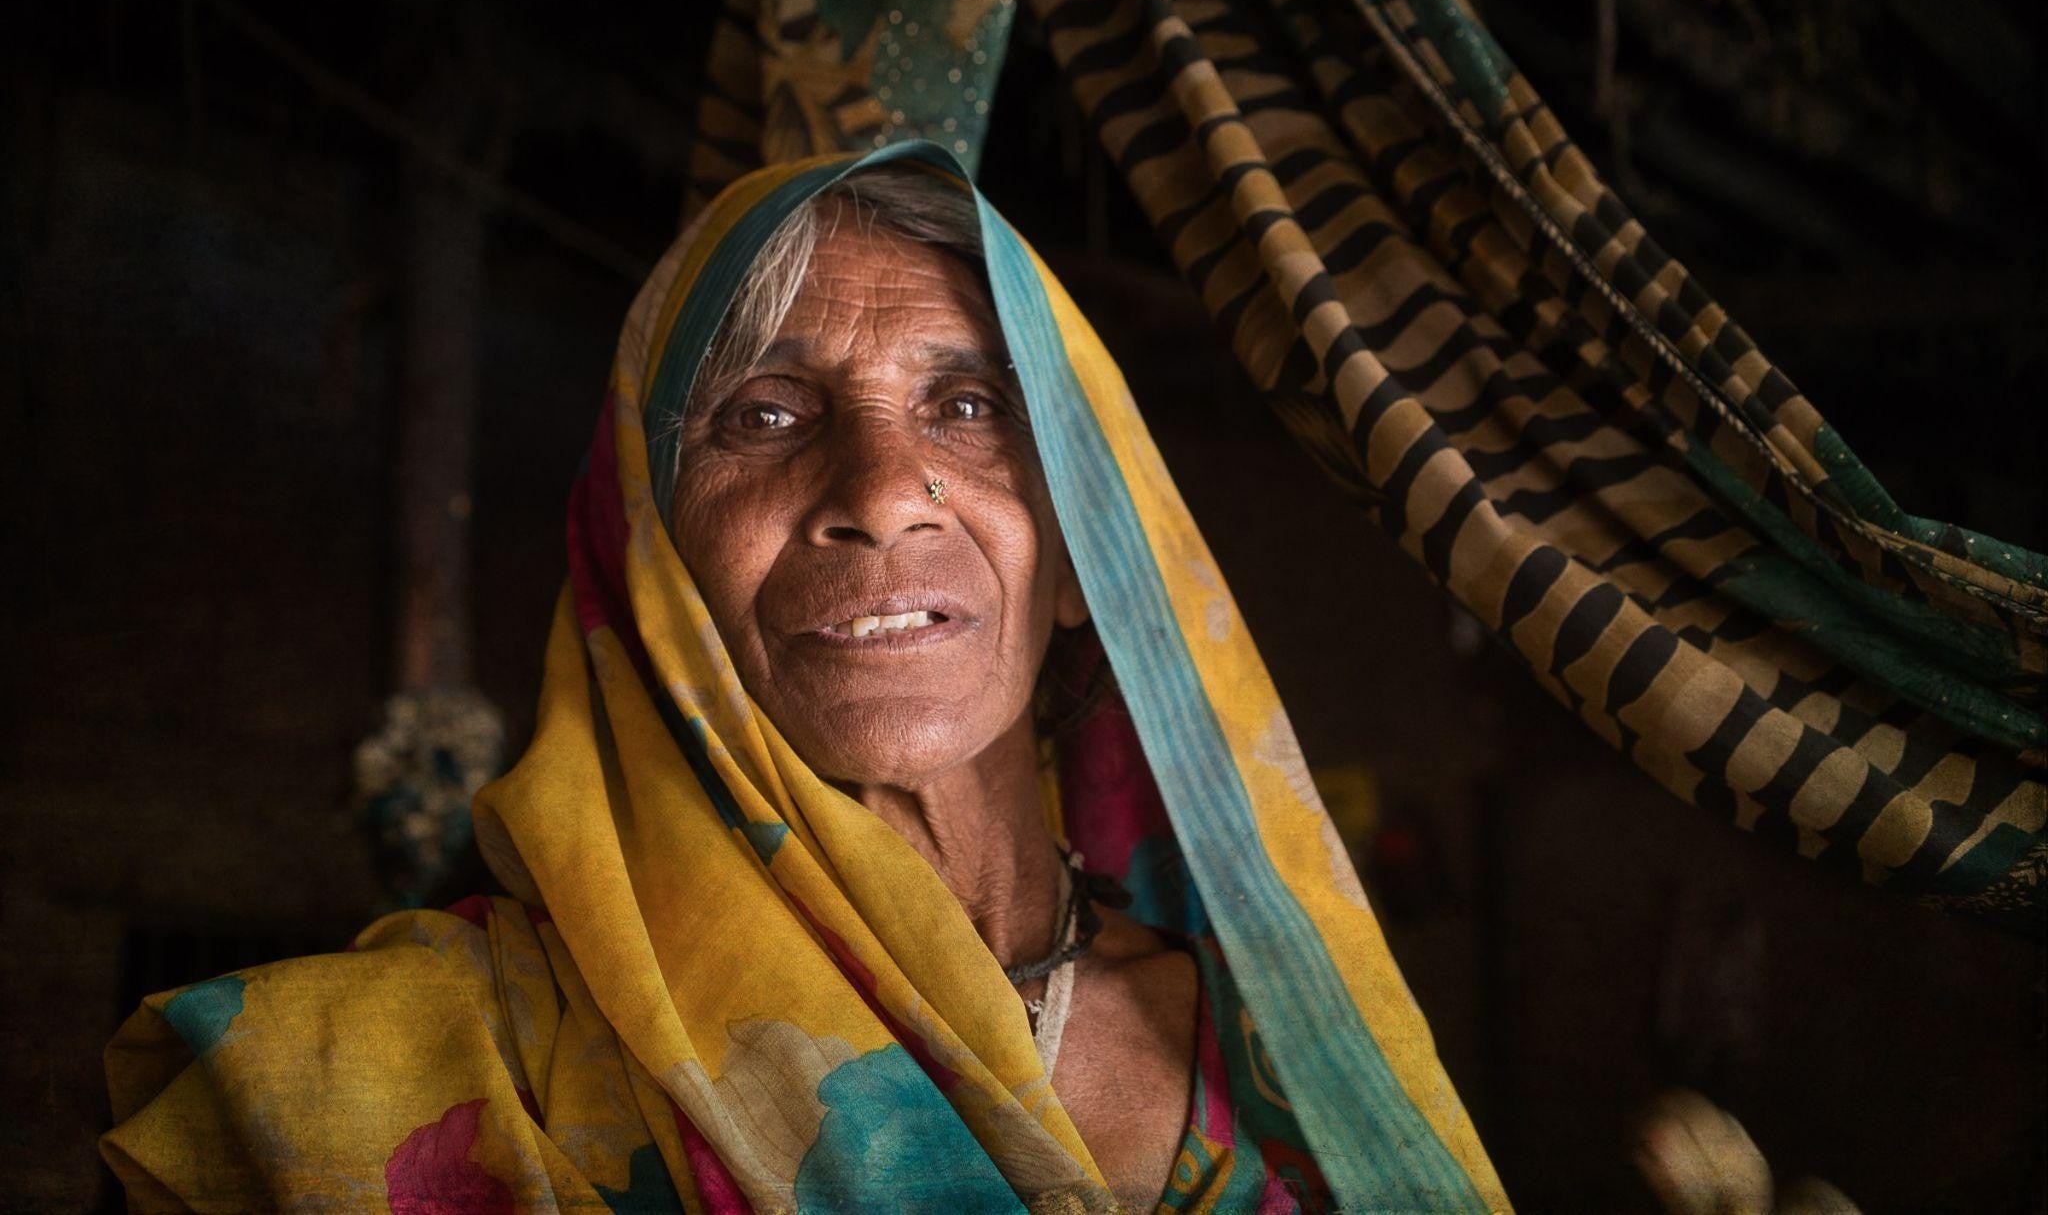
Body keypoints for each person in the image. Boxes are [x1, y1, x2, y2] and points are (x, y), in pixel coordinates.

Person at [102, 144, 1506, 1212]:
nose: (886, 493)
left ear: (1086, 554)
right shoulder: (413, 1065)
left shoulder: (1300, 1059)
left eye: (970, 406)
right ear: (651, 566)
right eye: (765, 416)